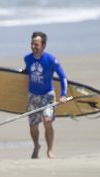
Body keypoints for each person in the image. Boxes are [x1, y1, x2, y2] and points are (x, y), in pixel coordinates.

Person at [24, 31, 68, 159]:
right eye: (32, 44)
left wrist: (63, 94)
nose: (33, 47)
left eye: (36, 44)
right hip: (32, 96)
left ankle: (50, 150)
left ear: (43, 45)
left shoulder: (51, 60)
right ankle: (36, 145)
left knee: (47, 121)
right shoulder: (27, 58)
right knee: (33, 126)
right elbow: (26, 72)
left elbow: (63, 77)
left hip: (47, 96)